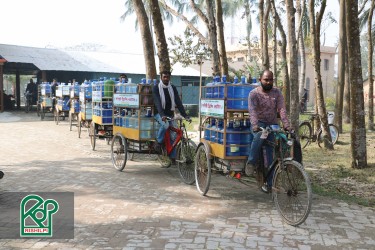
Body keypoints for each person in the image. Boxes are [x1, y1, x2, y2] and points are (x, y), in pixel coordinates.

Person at [246, 69, 294, 192]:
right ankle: (251, 162)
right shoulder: (253, 94)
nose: (268, 82)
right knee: (260, 135)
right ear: (260, 80)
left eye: (271, 79)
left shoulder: (277, 93)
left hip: (272, 125)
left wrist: (287, 125)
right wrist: (256, 125)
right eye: (266, 79)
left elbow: (282, 110)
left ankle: (270, 183)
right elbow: (252, 111)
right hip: (259, 125)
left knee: (270, 155)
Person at [152, 70, 190, 160]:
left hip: (170, 114)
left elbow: (178, 102)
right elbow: (157, 103)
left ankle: (172, 157)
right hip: (158, 113)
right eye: (164, 77)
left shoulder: (172, 87)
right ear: (161, 77)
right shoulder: (156, 88)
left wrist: (185, 115)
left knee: (174, 135)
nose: (166, 79)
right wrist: (162, 115)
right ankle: (159, 142)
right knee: (165, 125)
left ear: (170, 78)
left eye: (167, 77)